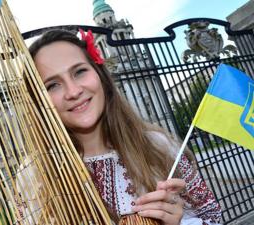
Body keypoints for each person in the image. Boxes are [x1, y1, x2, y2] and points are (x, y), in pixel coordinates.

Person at [17, 29, 221, 225]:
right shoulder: (34, 173)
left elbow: (213, 217)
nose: (73, 91)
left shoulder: (158, 146)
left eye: (79, 72)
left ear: (100, 75)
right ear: (39, 101)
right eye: (52, 85)